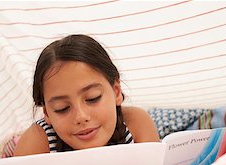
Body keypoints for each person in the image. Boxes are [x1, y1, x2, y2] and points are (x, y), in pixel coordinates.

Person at [14, 34, 160, 156]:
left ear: (116, 92)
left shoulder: (136, 125)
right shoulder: (37, 142)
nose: (81, 117)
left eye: (93, 98)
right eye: (62, 108)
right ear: (47, 113)